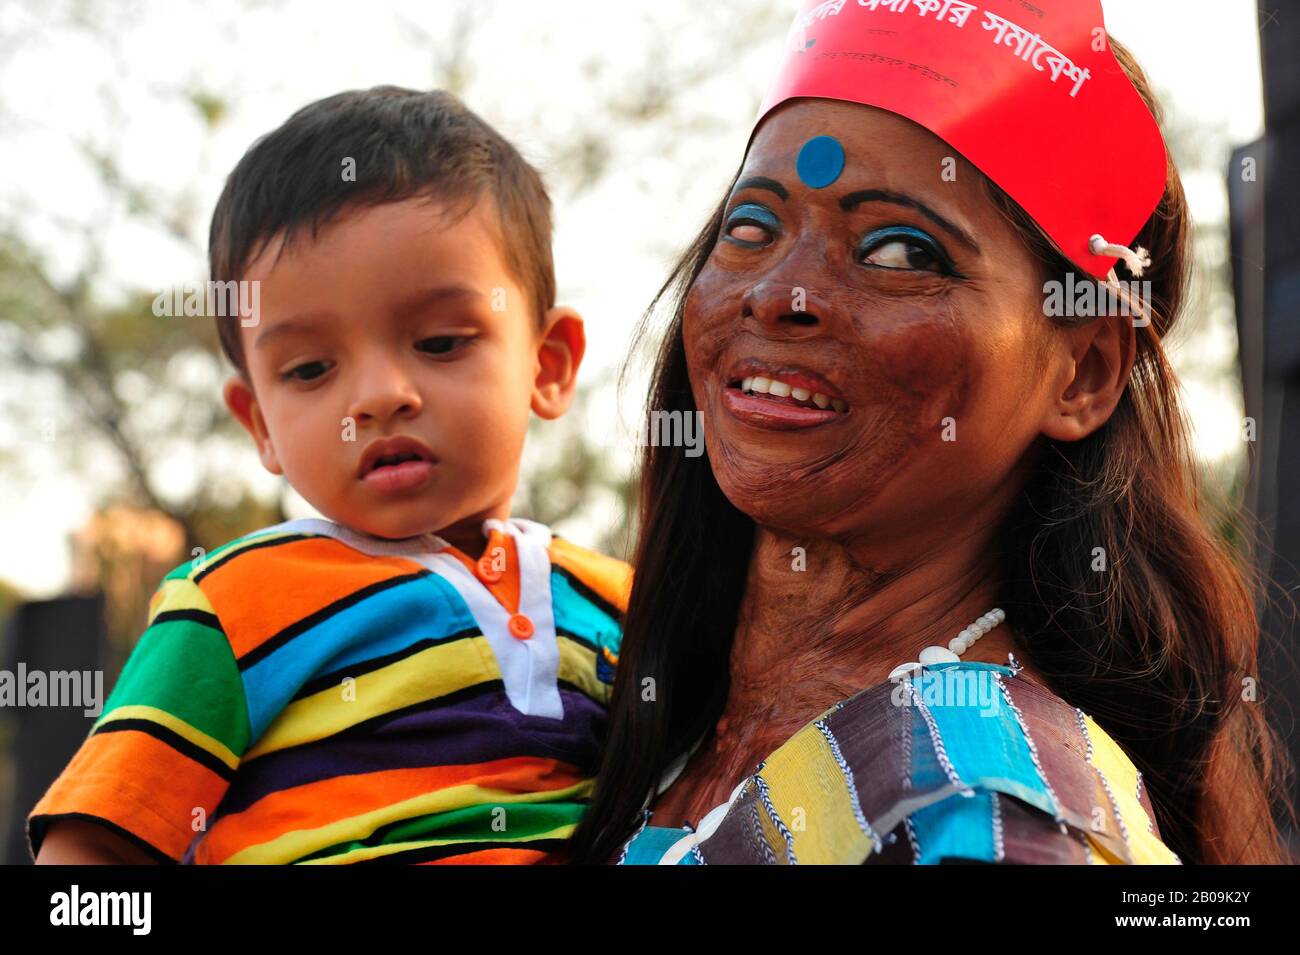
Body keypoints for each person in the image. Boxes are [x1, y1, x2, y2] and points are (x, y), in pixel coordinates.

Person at [568, 0, 1296, 864]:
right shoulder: (592, 701)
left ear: (1084, 372)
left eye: (900, 251)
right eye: (751, 227)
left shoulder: (987, 810)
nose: (777, 294)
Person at [30, 87, 631, 864]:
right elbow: (95, 851)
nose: (380, 395)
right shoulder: (233, 606)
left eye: (442, 342)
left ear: (546, 366)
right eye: (311, 367)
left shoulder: (627, 605)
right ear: (259, 424)